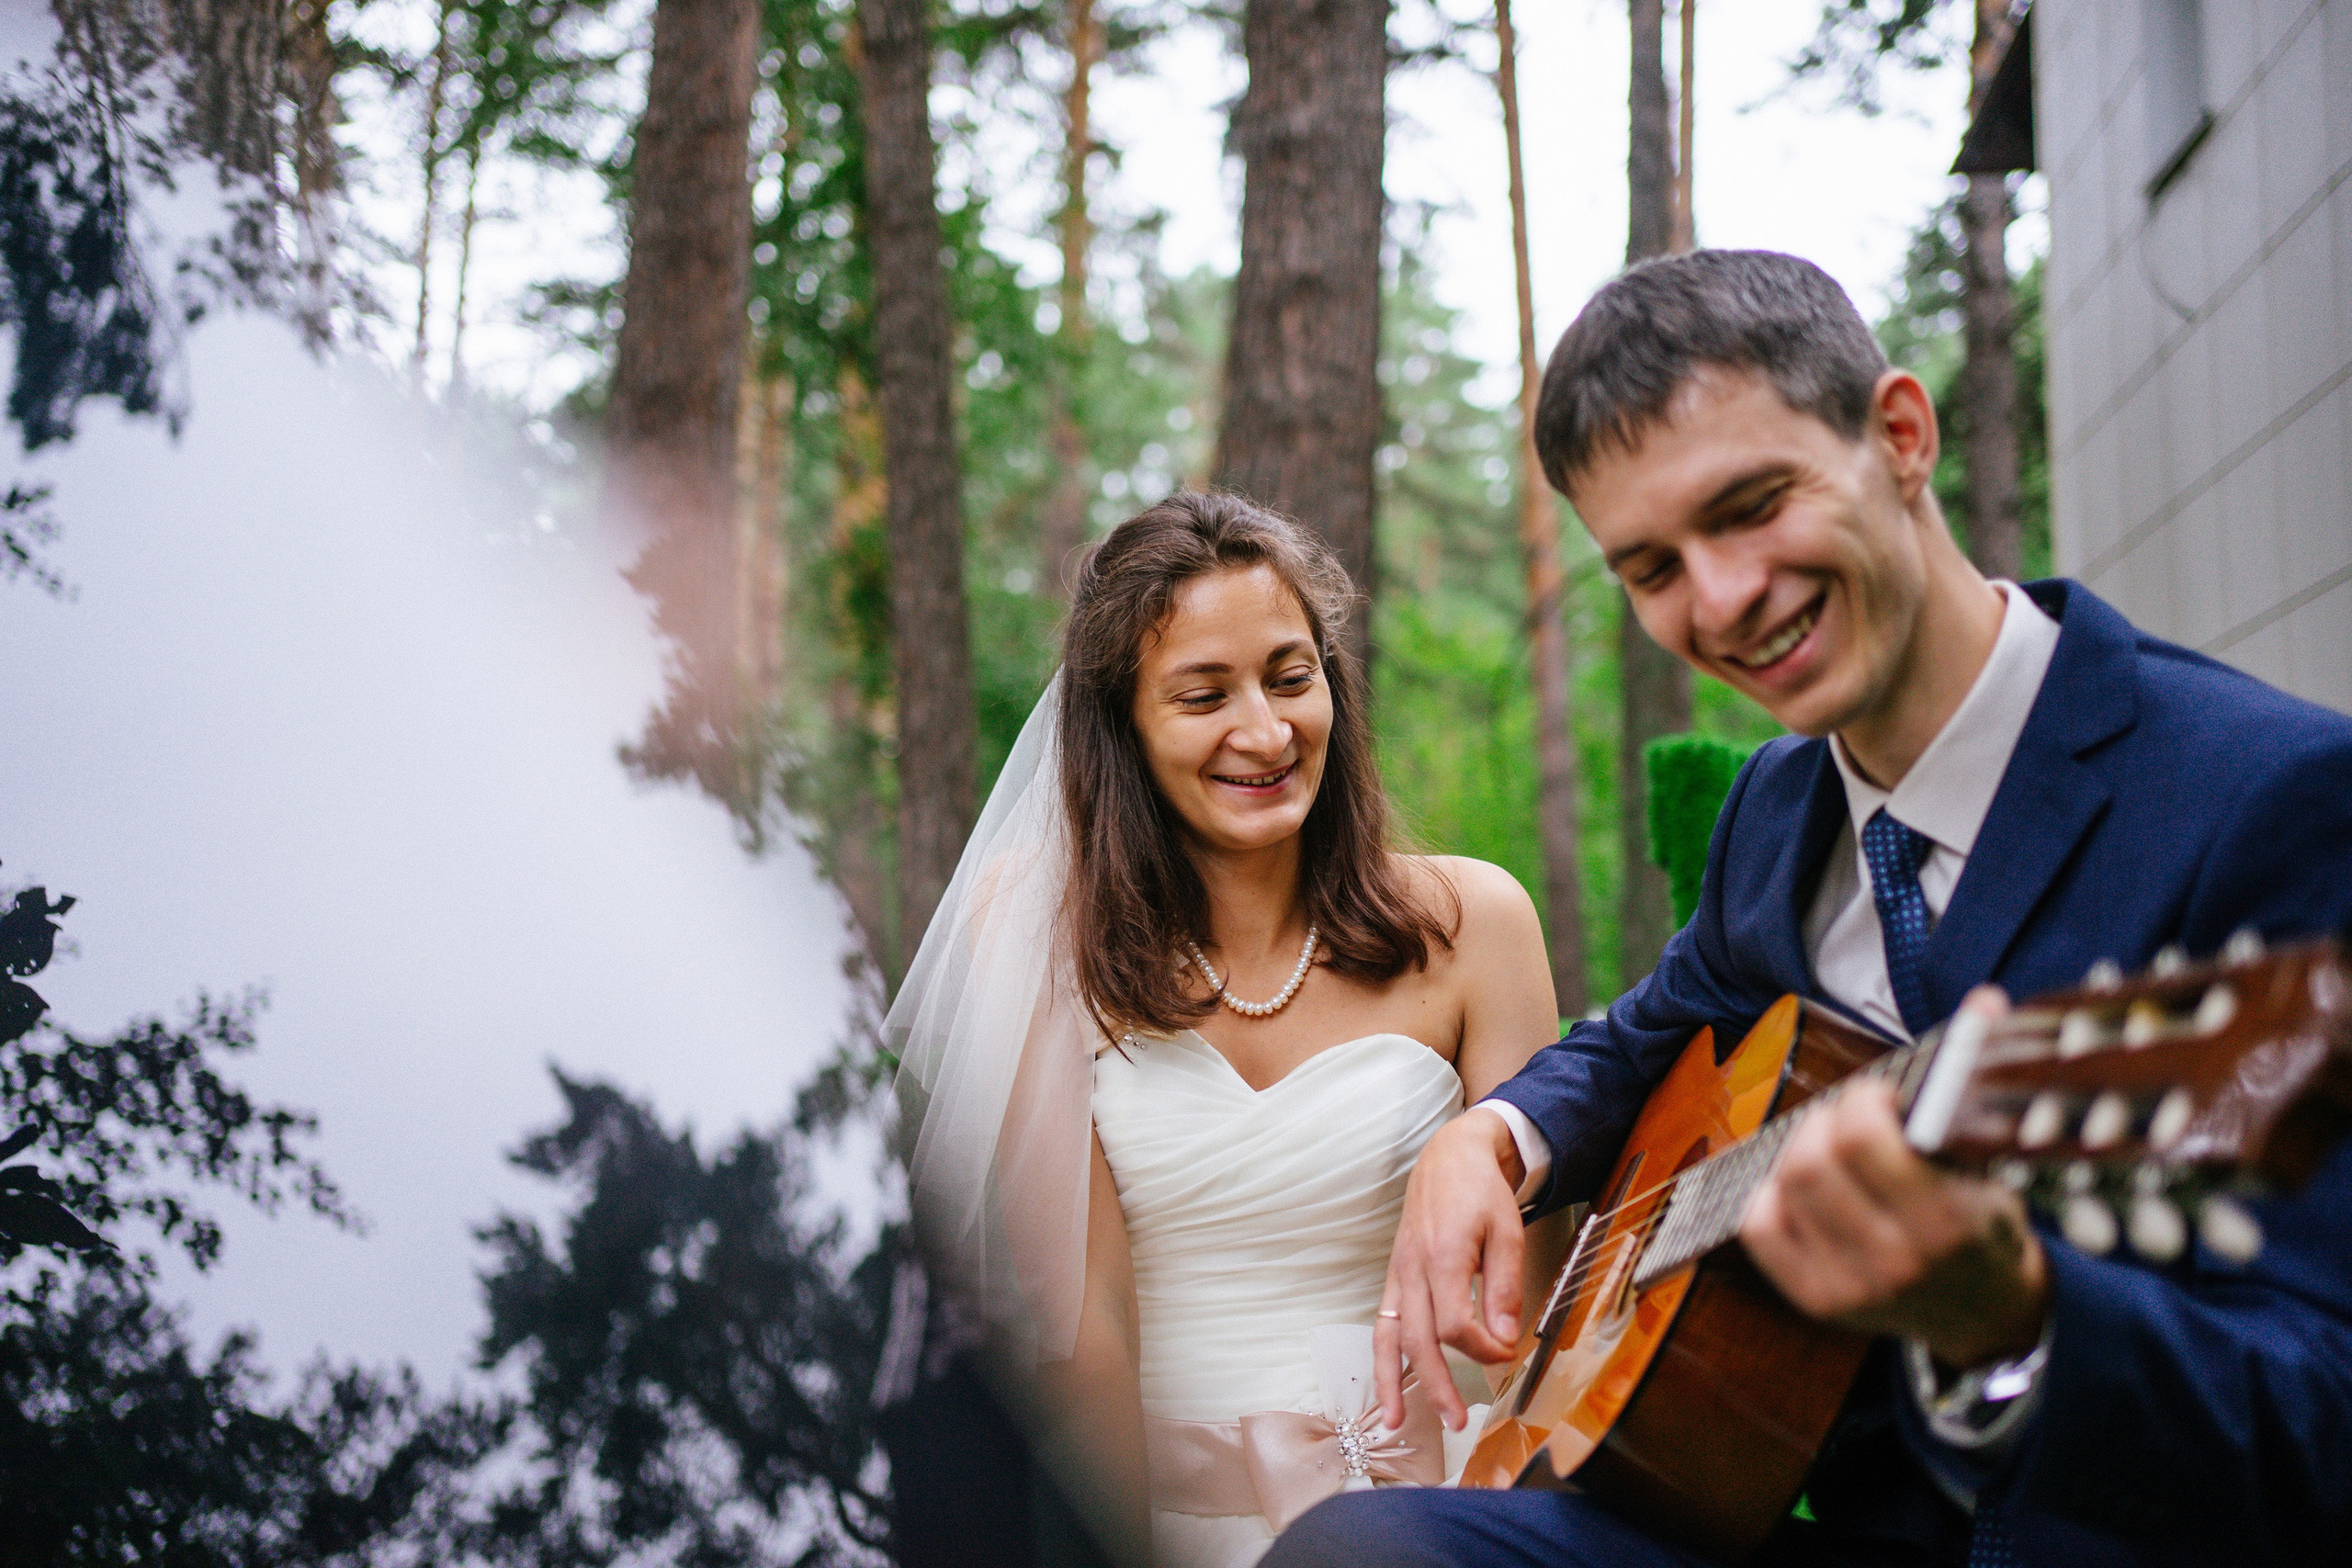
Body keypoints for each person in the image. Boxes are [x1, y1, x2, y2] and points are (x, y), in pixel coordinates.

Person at [1263, 250, 2352, 1567]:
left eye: (1752, 505)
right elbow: (1655, 1027)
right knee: (1363, 1550)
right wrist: (1492, 1136)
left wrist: (2017, 1314)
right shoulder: (1777, 810)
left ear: (1901, 434)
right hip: (1815, 1516)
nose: (1719, 601)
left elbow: (2320, 1420)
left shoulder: (2267, 794)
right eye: (1652, 566)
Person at [889, 491, 1564, 1568]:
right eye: (1204, 695)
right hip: (1158, 1522)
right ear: (1125, 727)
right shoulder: (1036, 935)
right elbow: (1083, 1330)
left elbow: (1542, 1296)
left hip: (1439, 1519)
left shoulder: (1475, 924)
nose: (1264, 731)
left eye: (1290, 678)